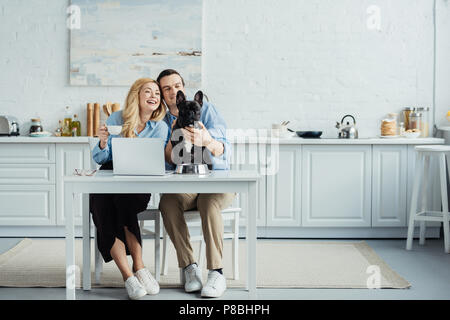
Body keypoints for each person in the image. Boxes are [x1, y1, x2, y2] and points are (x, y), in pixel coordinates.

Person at [156, 69, 235, 298]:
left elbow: (223, 148)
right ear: (162, 93)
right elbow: (167, 160)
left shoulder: (206, 109)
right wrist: (174, 135)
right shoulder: (161, 119)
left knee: (209, 203)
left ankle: (216, 273)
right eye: (167, 88)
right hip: (186, 183)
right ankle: (190, 268)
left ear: (183, 87)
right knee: (168, 202)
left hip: (216, 180)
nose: (174, 91)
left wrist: (207, 139)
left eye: (177, 85)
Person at [90, 78, 167, 300]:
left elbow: (155, 162)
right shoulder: (117, 119)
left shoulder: (160, 127)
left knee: (121, 202)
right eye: (148, 92)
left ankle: (139, 266)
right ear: (137, 95)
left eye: (157, 93)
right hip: (110, 174)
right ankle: (130, 276)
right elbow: (101, 158)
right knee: (102, 205)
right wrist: (103, 142)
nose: (154, 96)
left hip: (140, 181)